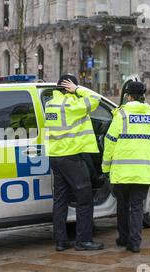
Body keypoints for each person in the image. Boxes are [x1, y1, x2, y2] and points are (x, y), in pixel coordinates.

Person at [102, 81, 150, 253]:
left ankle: (123, 239)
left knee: (122, 205)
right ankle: (135, 242)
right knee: (137, 206)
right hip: (143, 171)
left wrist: (105, 168)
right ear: (143, 96)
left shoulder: (121, 114)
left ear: (128, 96)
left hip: (122, 171)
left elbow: (109, 141)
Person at [44, 74, 105, 252]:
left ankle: (61, 241)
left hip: (55, 157)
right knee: (85, 198)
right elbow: (96, 99)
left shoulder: (50, 104)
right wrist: (78, 89)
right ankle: (84, 241)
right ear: (69, 87)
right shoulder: (72, 104)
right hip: (71, 157)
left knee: (60, 200)